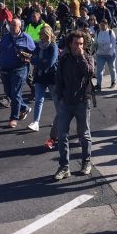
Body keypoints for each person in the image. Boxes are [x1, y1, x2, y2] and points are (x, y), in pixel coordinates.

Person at [53, 31, 95, 181]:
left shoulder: (87, 57)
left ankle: (86, 162)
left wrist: (81, 56)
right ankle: (64, 167)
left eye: (81, 44)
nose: (79, 46)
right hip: (66, 102)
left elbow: (89, 72)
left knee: (84, 134)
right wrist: (59, 97)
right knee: (62, 135)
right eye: (76, 43)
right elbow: (58, 79)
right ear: (70, 44)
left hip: (82, 102)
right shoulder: (64, 59)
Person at [28, 24, 58, 132]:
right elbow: (32, 59)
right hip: (40, 75)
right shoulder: (38, 45)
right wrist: (41, 61)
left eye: (41, 33)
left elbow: (50, 62)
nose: (39, 35)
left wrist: (38, 61)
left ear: (47, 35)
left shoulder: (53, 46)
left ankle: (58, 120)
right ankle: (36, 122)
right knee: (39, 99)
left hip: (51, 76)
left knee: (56, 100)